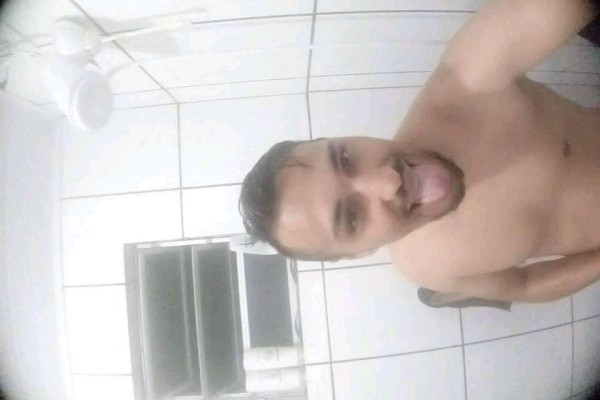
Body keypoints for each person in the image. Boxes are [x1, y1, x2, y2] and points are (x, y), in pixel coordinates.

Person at [239, 0, 600, 305]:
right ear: (359, 252)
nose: (387, 180)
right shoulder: (430, 266)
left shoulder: (467, 84)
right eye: (352, 216)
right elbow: (524, 285)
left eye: (346, 158)